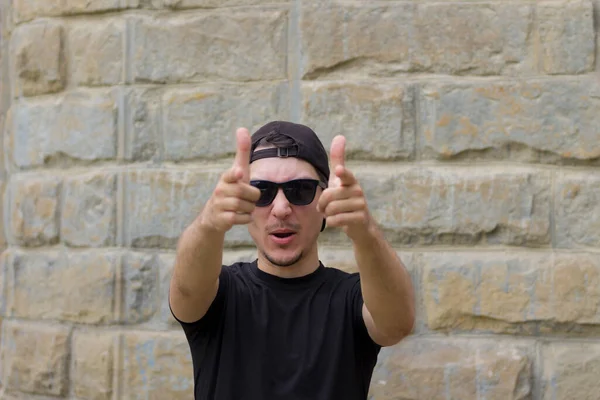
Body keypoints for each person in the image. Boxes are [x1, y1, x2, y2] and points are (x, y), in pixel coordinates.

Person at [169, 121, 415, 400]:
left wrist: (365, 232)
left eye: (300, 190)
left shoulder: (353, 299)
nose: (282, 209)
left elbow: (397, 323)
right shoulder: (222, 294)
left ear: (326, 199)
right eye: (262, 191)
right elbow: (187, 290)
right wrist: (209, 223)